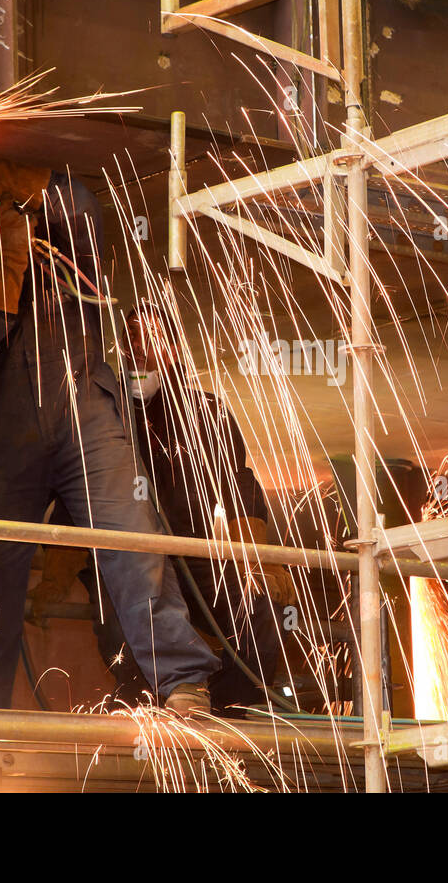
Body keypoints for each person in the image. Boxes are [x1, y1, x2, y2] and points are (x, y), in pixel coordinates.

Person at [0, 168, 220, 714]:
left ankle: (182, 679)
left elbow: (81, 209)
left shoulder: (66, 212)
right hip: (3, 411)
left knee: (134, 533)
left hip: (82, 400)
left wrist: (27, 197)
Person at [68, 301, 297, 712]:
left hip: (195, 555)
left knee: (258, 606)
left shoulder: (206, 413)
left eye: (152, 338)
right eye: (132, 337)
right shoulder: (103, 412)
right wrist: (57, 559)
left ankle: (232, 712)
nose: (139, 347)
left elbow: (237, 482)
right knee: (123, 625)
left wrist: (257, 553)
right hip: (125, 554)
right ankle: (151, 718)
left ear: (173, 347)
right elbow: (74, 481)